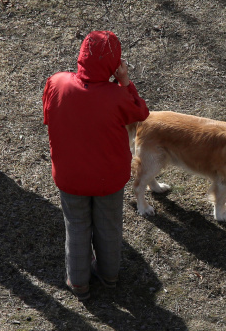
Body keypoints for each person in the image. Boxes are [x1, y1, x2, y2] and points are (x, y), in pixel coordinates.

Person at [43, 31, 149, 300]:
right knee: (109, 226)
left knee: (77, 225)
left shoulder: (57, 82)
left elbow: (48, 116)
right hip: (108, 177)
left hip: (71, 175)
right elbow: (140, 113)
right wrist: (125, 82)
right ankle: (109, 275)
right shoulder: (117, 95)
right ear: (114, 64)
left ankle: (78, 282)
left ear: (82, 56)